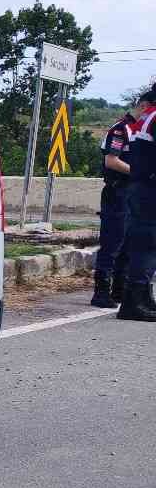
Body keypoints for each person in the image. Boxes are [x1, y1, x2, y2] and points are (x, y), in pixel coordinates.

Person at [116, 86, 156, 322]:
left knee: (148, 244)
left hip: (144, 187)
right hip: (148, 189)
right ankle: (133, 302)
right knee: (147, 243)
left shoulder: (149, 115)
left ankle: (142, 296)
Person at [90, 106, 136, 307]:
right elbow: (111, 161)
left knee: (128, 244)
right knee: (113, 242)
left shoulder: (138, 130)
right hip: (118, 191)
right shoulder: (121, 129)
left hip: (133, 193)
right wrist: (139, 172)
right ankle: (101, 292)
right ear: (143, 106)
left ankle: (120, 289)